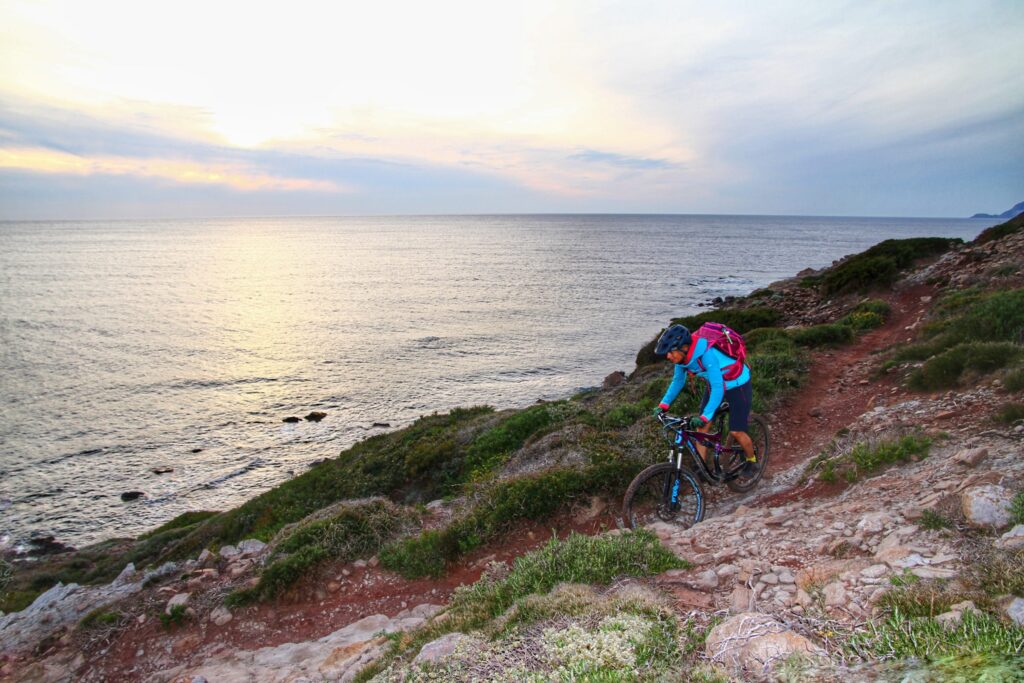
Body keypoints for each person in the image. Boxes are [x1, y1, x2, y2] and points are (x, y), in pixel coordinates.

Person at [652, 324, 758, 475]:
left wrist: (705, 416)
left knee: (736, 432)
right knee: (701, 429)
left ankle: (751, 460)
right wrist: (663, 405)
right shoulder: (682, 359)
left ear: (684, 347)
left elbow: (718, 387)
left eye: (670, 352)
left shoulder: (706, 355)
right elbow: (678, 381)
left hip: (737, 385)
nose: (668, 356)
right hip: (715, 386)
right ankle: (701, 469)